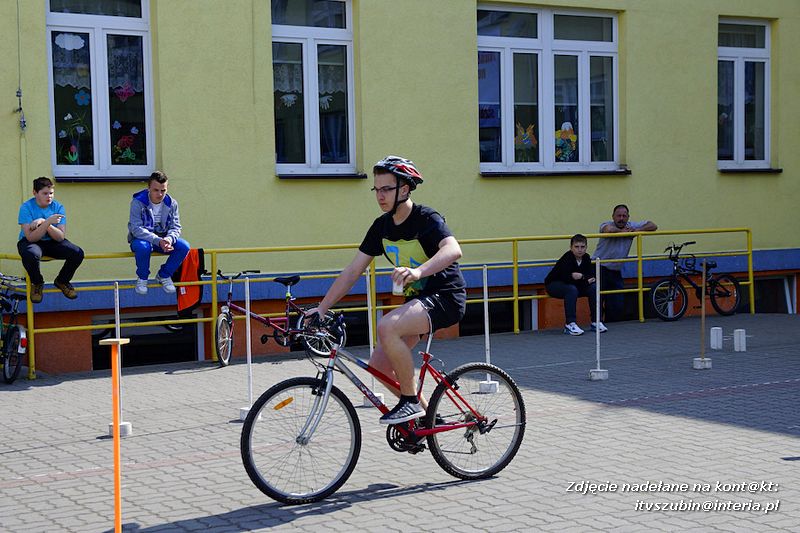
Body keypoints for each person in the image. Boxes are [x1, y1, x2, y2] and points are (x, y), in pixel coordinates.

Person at [307, 156, 466, 425]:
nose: (380, 196)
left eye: (386, 189)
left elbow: (453, 250)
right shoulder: (381, 227)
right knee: (379, 366)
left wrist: (417, 272)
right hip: (418, 301)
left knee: (387, 326)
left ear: (404, 189)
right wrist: (322, 308)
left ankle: (410, 402)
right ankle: (428, 418)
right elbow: (352, 271)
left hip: (446, 297)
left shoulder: (426, 218)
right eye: (376, 189)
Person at [17, 177, 85, 303]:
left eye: (51, 193)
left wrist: (44, 222)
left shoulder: (58, 207)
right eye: (45, 193)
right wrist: (48, 221)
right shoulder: (26, 207)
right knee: (30, 254)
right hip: (31, 242)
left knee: (77, 253)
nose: (49, 196)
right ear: (35, 193)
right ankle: (37, 283)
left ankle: (62, 281)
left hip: (52, 241)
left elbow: (60, 237)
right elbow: (31, 237)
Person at [127, 170, 190, 295]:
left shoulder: (172, 203)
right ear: (148, 188)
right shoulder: (137, 202)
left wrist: (169, 239)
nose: (160, 194)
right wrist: (158, 240)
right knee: (143, 247)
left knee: (184, 246)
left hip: (164, 239)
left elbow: (176, 226)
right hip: (142, 239)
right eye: (156, 190)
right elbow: (136, 228)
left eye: (163, 190)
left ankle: (164, 275)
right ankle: (143, 278)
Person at [593, 204, 657, 321]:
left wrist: (636, 230)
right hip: (599, 268)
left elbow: (653, 225)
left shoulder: (631, 226)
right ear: (613, 216)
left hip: (616, 270)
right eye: (618, 216)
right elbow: (608, 230)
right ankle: (597, 324)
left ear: (628, 217)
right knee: (598, 300)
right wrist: (623, 232)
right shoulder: (606, 224)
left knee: (617, 303)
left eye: (624, 216)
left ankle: (613, 327)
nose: (621, 218)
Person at [545, 234, 605, 336]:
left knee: (593, 288)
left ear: (586, 247)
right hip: (554, 285)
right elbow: (566, 278)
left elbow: (591, 275)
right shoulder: (567, 258)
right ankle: (570, 324)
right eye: (576, 247)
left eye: (582, 247)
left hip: (576, 285)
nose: (579, 250)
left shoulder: (586, 258)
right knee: (571, 289)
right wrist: (584, 279)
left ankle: (596, 322)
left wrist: (581, 277)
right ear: (571, 247)